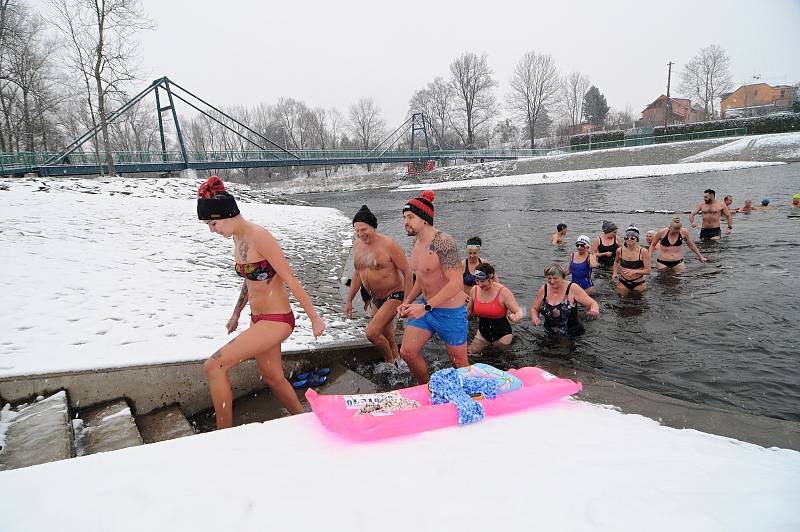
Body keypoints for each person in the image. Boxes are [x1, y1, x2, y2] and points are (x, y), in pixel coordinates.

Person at [197, 176, 325, 430]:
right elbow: (250, 280)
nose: (212, 230)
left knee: (214, 366)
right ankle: (306, 420)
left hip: (277, 320)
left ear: (227, 215)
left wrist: (314, 317)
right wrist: (236, 314)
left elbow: (290, 278)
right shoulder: (237, 238)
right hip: (259, 319)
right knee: (273, 378)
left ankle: (223, 436)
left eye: (213, 223)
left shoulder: (260, 236)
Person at [398, 191, 468, 384]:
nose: (406, 221)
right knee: (407, 352)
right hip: (426, 308)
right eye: (404, 217)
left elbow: (457, 283)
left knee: (459, 362)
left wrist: (425, 307)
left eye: (410, 217)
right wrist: (407, 301)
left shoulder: (443, 243)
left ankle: (470, 395)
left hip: (450, 311)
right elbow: (422, 278)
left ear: (425, 219)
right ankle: (427, 387)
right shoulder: (416, 243)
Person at [344, 205, 412, 365]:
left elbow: (407, 272)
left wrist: (407, 302)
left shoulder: (388, 244)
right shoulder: (357, 246)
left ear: (373, 226)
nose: (360, 234)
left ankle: (389, 362)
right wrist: (349, 300)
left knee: (372, 333)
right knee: (388, 337)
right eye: (357, 231)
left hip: (394, 295)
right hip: (376, 299)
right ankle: (398, 364)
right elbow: (357, 273)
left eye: (364, 229)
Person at [530, 263, 599, 337]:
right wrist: (534, 317)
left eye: (555, 278)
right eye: (549, 278)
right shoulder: (544, 289)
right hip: (549, 332)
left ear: (563, 277)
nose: (552, 281)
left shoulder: (572, 288)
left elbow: (592, 303)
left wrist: (594, 310)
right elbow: (534, 308)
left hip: (572, 334)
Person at [466, 263, 522, 353]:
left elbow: (519, 311)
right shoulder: (474, 290)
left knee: (498, 359)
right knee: (472, 354)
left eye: (483, 281)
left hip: (502, 336)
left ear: (490, 278)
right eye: (477, 281)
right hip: (482, 334)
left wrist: (516, 317)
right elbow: (469, 310)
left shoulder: (503, 292)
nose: (479, 284)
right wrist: (457, 322)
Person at [612, 225, 651, 295]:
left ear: (637, 239)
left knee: (638, 304)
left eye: (632, 238)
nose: (629, 239)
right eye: (626, 237)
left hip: (638, 283)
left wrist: (634, 271)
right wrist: (614, 273)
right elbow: (616, 262)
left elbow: (648, 271)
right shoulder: (619, 250)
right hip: (622, 281)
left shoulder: (643, 251)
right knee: (621, 303)